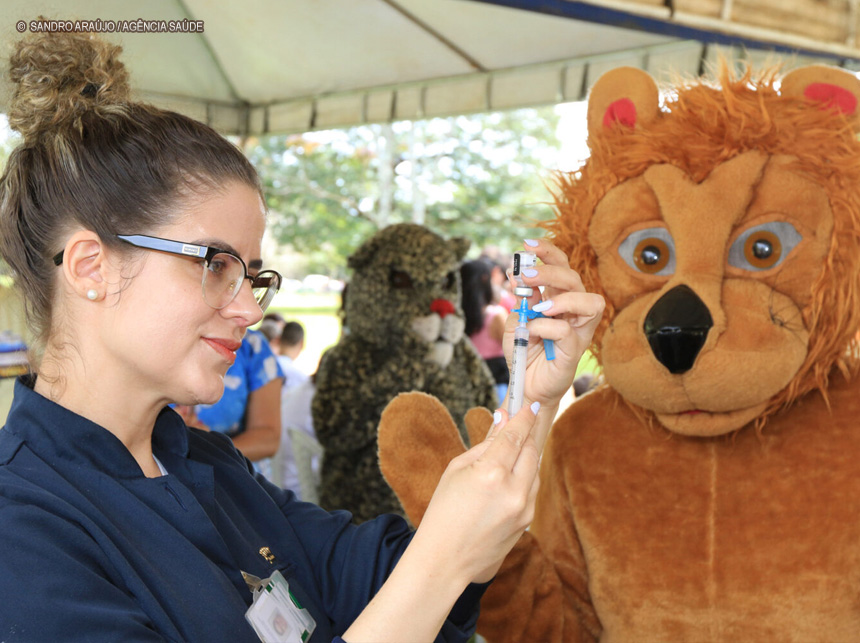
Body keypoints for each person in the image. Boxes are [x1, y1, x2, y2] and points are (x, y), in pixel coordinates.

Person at [0, 30, 603, 642]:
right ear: (91, 269)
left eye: (252, 277)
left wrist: (530, 397)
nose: (249, 309)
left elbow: (388, 581)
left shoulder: (206, 465)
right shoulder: (22, 531)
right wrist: (443, 560)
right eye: (215, 264)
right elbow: (430, 573)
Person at [194, 327, 285, 465]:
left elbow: (268, 438)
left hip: (230, 469)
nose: (253, 317)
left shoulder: (252, 345)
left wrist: (204, 449)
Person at [461, 258, 510, 405]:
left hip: (466, 387)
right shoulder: (496, 315)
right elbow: (515, 351)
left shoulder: (457, 318)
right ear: (485, 279)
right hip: (497, 387)